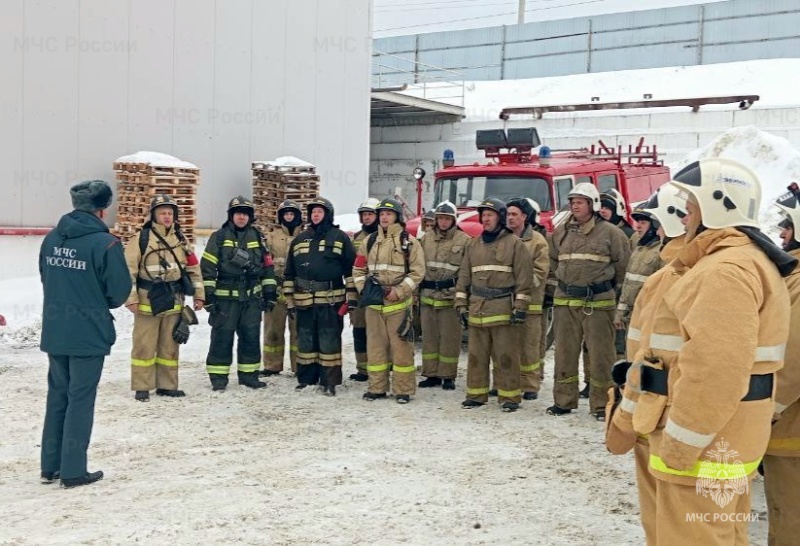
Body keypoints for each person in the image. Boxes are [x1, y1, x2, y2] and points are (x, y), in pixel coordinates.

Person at [621, 159, 794, 544]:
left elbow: (714, 370)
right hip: (725, 438)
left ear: (718, 205)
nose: (684, 219)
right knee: (723, 536)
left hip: (704, 446)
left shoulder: (723, 271)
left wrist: (682, 445)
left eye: (692, 208)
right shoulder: (743, 261)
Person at [604, 183, 688, 543]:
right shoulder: (664, 273)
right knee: (656, 512)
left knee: (679, 516)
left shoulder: (689, 276)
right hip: (649, 409)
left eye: (647, 220)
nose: (639, 226)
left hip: (667, 411)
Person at [39, 180, 132, 488]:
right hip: (88, 333)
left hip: (56, 331)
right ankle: (74, 470)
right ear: (102, 210)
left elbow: (46, 277)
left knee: (58, 396)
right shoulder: (105, 244)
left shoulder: (51, 239)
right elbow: (118, 292)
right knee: (81, 399)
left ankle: (51, 466)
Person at [547, 182, 630, 420]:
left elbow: (623, 267)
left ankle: (602, 405)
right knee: (564, 353)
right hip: (566, 303)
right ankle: (563, 401)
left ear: (592, 205)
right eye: (572, 202)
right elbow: (554, 261)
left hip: (599, 304)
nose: (575, 206)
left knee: (601, 356)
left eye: (580, 202)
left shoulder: (612, 233)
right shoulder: (561, 232)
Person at [454, 197, 533, 413]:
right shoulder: (473, 244)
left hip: (503, 310)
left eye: (490, 215)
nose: (486, 219)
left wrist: (520, 308)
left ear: (500, 217)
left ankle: (509, 398)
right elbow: (464, 277)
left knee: (506, 356)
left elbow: (524, 280)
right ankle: (476, 395)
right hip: (477, 309)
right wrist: (461, 304)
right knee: (476, 356)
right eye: (483, 215)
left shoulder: (515, 244)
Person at [124, 195, 205, 401]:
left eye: (170, 213)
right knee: (144, 344)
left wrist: (199, 295)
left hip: (174, 301)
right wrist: (131, 298)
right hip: (147, 301)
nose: (167, 217)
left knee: (170, 345)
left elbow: (193, 269)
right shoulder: (140, 240)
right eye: (162, 213)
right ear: (154, 215)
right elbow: (128, 271)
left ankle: (167, 385)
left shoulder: (181, 240)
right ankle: (142, 386)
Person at [352, 197, 425, 404]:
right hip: (374, 306)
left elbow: (418, 272)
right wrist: (363, 288)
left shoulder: (408, 242)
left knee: (401, 350)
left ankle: (403, 390)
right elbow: (358, 268)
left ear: (396, 217)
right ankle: (377, 388)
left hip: (398, 306)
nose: (384, 217)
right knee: (375, 348)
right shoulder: (370, 241)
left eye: (388, 214)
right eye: (381, 214)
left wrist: (399, 291)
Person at [201, 196, 277, 391]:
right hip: (226, 299)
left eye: (245, 214)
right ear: (231, 216)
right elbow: (207, 269)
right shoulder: (218, 237)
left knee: (251, 338)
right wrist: (209, 296)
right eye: (238, 213)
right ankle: (218, 377)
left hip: (251, 298)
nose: (241, 217)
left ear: (250, 217)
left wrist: (269, 292)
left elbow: (268, 266)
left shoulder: (258, 237)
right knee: (222, 338)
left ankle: (249, 375)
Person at [283, 197, 356, 395]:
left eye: (320, 211)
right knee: (305, 341)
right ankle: (306, 378)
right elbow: (289, 272)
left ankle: (329, 381)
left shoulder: (340, 237)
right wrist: (289, 300)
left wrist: (352, 297)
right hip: (304, 301)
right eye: (313, 211)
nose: (316, 215)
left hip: (331, 301)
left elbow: (351, 270)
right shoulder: (299, 239)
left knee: (329, 341)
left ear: (328, 214)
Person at [763, 187, 800, 545]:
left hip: (791, 426)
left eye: (787, 225)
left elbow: (793, 355)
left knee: (789, 512)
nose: (781, 233)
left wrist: (768, 407)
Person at [417, 201, 471, 390]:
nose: (443, 222)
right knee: (429, 338)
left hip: (450, 297)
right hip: (428, 296)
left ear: (453, 220)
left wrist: (462, 297)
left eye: (447, 218)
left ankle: (448, 375)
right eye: (440, 218)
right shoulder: (426, 238)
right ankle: (431, 374)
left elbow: (466, 271)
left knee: (450, 338)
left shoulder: (464, 240)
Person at [506, 197, 549, 400]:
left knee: (529, 345)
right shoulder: (502, 238)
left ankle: (530, 384)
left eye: (514, 214)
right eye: (508, 214)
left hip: (530, 303)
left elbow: (540, 273)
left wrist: (516, 286)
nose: (510, 218)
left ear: (524, 216)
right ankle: (506, 382)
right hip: (504, 302)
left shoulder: (537, 242)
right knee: (505, 345)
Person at [260, 199, 303, 377]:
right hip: (276, 291)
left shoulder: (306, 236)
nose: (289, 217)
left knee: (298, 332)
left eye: (292, 214)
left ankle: (299, 366)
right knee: (273, 331)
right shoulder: (271, 236)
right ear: (281, 217)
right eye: (286, 214)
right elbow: (264, 261)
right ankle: (272, 365)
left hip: (299, 292)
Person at [613, 205, 663, 340]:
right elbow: (628, 282)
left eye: (643, 223)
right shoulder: (638, 248)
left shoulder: (663, 251)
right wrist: (620, 312)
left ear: (654, 225)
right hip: (632, 316)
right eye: (637, 222)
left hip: (649, 316)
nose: (638, 226)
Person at [348, 197, 380, 382]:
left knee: (379, 333)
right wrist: (351, 298)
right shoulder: (356, 239)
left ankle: (382, 368)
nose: (367, 218)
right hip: (361, 294)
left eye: (370, 214)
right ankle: (363, 369)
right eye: (364, 215)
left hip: (381, 293)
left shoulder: (386, 237)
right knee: (359, 332)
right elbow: (352, 270)